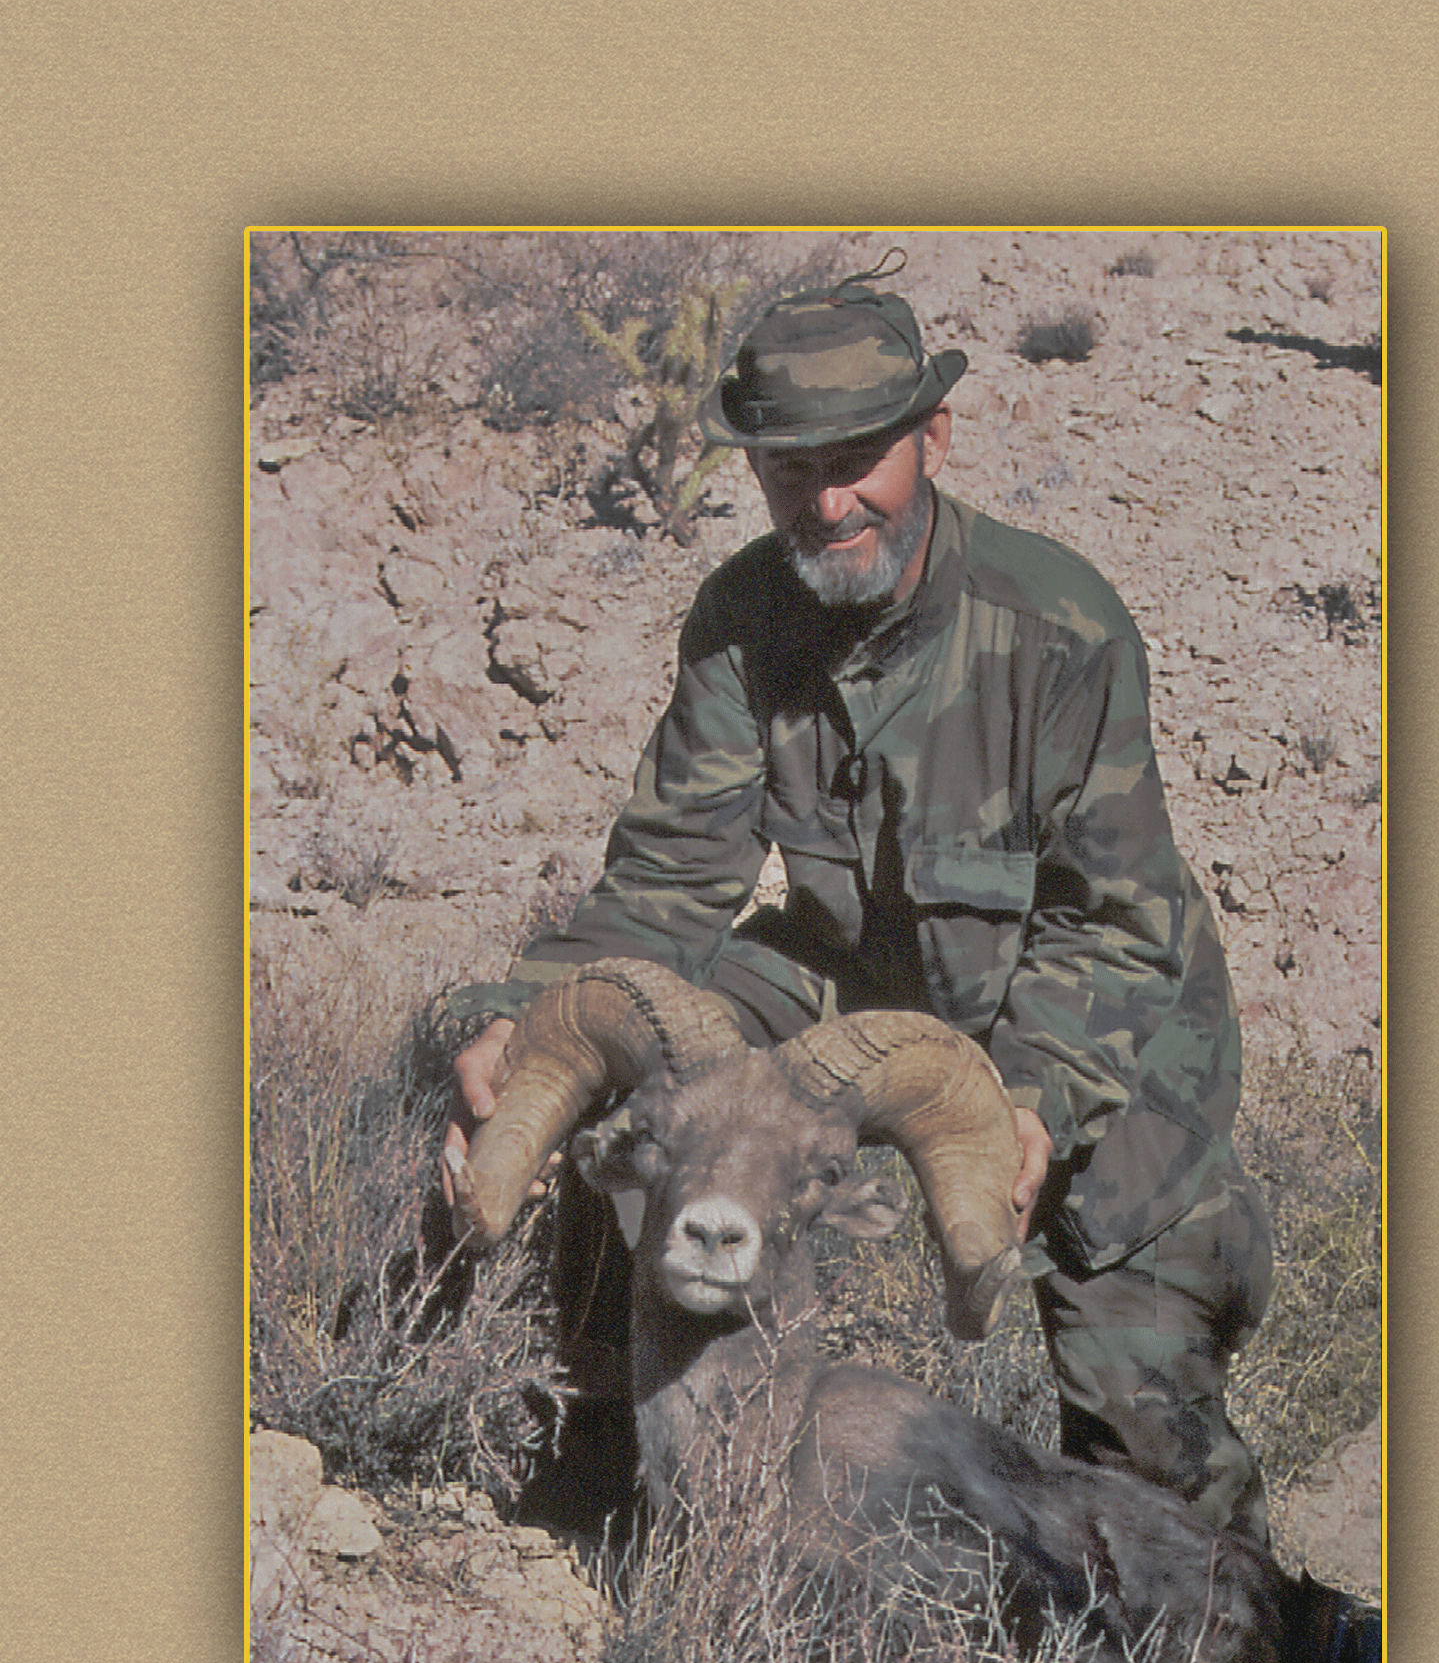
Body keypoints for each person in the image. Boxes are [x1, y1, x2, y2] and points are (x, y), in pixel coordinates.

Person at [445, 259, 1275, 1543]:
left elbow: (1111, 924)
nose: (826, 501)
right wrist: (522, 1022)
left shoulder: (1058, 628)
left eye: (857, 459)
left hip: (1100, 1029)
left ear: (930, 435)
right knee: (651, 1057)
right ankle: (613, 1465)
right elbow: (668, 883)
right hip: (860, 979)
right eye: (788, 466)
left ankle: (1242, 1639)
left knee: (1143, 1459)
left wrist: (1033, 1103)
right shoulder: (741, 618)